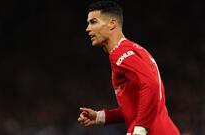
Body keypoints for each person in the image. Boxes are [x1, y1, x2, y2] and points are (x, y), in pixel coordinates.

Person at [77, 1, 180, 135]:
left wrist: (140, 128)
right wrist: (100, 117)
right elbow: (136, 106)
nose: (88, 28)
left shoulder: (120, 53)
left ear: (112, 24)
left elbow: (152, 85)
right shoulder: (131, 49)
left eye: (93, 22)